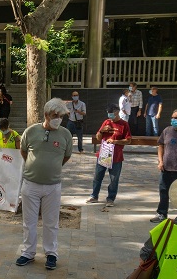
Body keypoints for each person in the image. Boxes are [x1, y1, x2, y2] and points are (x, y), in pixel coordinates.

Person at [15, 99, 73, 270]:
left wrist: (52, 168)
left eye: (61, 116)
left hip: (53, 186)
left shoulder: (65, 135)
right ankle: (28, 252)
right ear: (47, 115)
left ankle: (51, 253)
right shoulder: (31, 131)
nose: (59, 119)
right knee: (29, 221)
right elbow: (24, 151)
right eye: (55, 115)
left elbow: (66, 156)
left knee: (51, 222)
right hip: (30, 184)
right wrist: (37, 167)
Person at [87, 103, 132, 207]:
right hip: (103, 155)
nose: (110, 116)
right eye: (108, 114)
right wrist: (102, 131)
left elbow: (128, 140)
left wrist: (115, 141)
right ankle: (94, 195)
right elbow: (98, 137)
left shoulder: (124, 124)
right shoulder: (106, 122)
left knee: (114, 179)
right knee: (97, 177)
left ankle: (110, 198)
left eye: (111, 114)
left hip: (116, 157)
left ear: (117, 112)